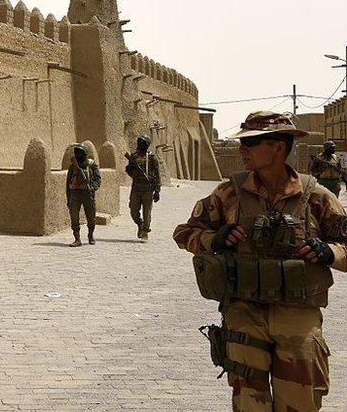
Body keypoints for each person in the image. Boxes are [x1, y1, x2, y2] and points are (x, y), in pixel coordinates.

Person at [173, 111, 347, 411]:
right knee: (249, 403)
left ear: (279, 147)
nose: (242, 150)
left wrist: (329, 251)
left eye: (251, 143)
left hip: (298, 316)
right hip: (244, 314)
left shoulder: (315, 196)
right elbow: (185, 232)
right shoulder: (229, 194)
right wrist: (214, 239)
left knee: (300, 403)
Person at [125, 135, 161, 242]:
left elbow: (157, 174)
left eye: (143, 143)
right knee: (133, 210)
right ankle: (139, 224)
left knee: (147, 212)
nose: (140, 144)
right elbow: (128, 170)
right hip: (136, 187)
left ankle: (145, 231)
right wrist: (133, 170)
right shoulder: (134, 157)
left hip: (148, 188)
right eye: (139, 142)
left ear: (147, 145)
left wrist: (157, 190)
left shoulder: (151, 157)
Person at [66, 144, 102, 246]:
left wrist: (92, 187)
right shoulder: (73, 166)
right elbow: (68, 183)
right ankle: (77, 238)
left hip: (87, 194)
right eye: (76, 153)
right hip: (75, 193)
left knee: (91, 217)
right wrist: (68, 198)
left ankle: (90, 235)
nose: (78, 155)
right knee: (74, 217)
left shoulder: (91, 165)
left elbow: (97, 179)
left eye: (80, 153)